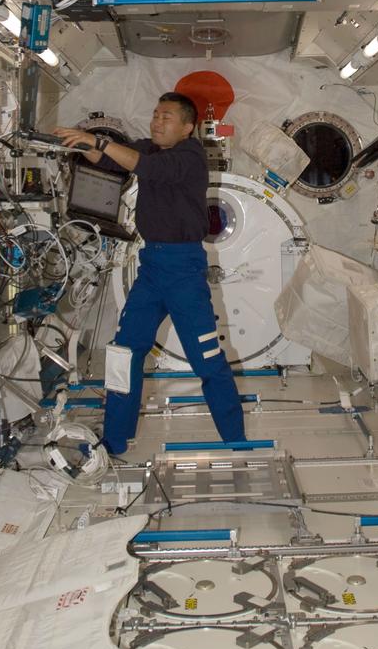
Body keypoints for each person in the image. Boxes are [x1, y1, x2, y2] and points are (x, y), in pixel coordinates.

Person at [54, 93, 246, 456]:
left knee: (206, 358)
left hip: (184, 271)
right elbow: (113, 165)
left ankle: (236, 440)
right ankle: (113, 441)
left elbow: (149, 169)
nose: (157, 122)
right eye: (156, 115)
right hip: (152, 268)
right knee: (125, 352)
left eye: (167, 117)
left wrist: (99, 141)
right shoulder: (148, 149)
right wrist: (81, 145)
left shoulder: (191, 157)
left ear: (188, 127)